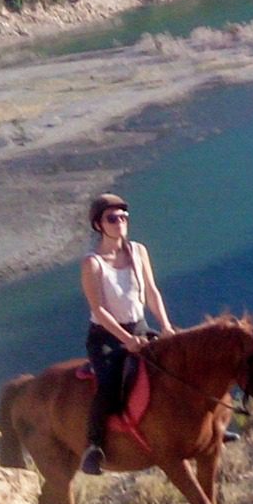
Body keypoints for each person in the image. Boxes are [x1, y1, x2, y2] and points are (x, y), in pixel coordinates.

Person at [79, 192, 174, 476]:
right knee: (109, 386)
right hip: (106, 336)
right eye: (112, 218)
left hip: (140, 326)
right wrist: (127, 341)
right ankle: (94, 447)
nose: (120, 222)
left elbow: (152, 292)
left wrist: (166, 325)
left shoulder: (138, 251)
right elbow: (98, 309)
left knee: (176, 365)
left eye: (123, 217)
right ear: (99, 224)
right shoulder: (93, 263)